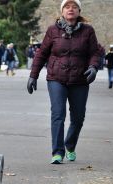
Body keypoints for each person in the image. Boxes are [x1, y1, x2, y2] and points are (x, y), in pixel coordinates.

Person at [26, 0, 103, 164]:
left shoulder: (88, 31)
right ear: (62, 11)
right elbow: (41, 53)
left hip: (80, 80)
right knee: (58, 114)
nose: (71, 9)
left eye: (74, 7)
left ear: (79, 11)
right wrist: (33, 75)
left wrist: (94, 67)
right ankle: (57, 152)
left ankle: (70, 145)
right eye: (67, 7)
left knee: (78, 117)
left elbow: (95, 52)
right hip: (56, 78)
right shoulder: (52, 30)